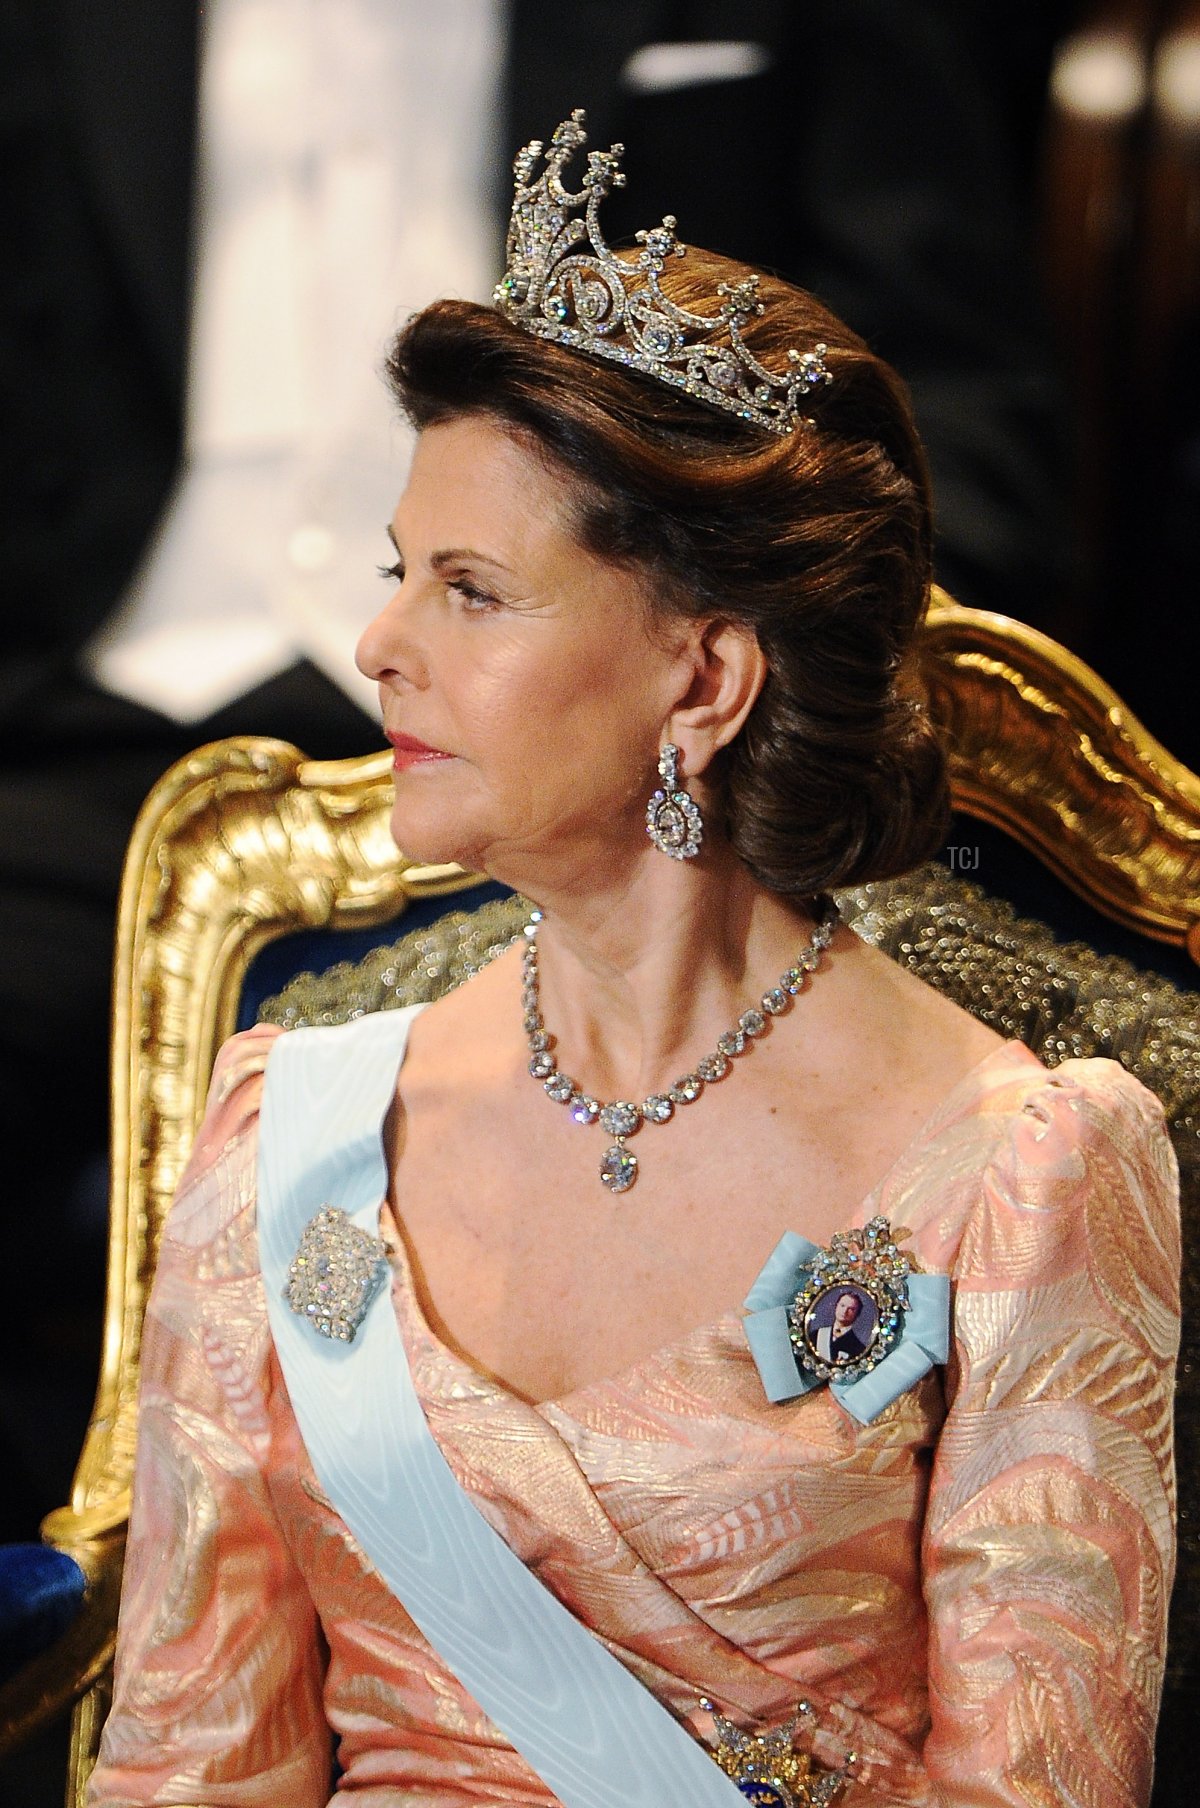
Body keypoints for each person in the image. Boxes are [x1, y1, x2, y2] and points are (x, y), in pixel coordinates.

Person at [86, 114, 1179, 1808]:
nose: (378, 644)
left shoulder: (1025, 1170)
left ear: (703, 680)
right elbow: (185, 1763)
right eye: (402, 576)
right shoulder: (283, 1143)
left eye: (470, 589)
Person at [814, 1292, 871, 1365]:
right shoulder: (816, 1334)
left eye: (851, 1309)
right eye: (842, 1305)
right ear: (836, 1306)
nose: (845, 1311)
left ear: (857, 1314)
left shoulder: (858, 1348)